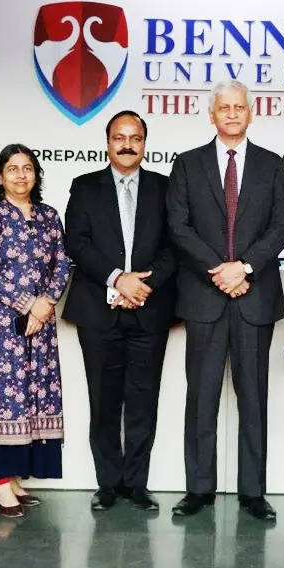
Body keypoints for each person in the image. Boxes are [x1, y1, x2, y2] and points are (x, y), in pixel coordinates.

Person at [167, 80, 284, 521]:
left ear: (250, 113)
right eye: (225, 107)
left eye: (240, 107)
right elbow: (178, 226)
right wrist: (221, 270)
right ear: (212, 115)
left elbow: (281, 226)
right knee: (200, 397)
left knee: (253, 398)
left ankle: (253, 492)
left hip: (254, 297)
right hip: (205, 296)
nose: (233, 113)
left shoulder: (272, 165)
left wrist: (245, 268)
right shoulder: (188, 164)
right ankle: (199, 489)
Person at [63, 111, 176, 512]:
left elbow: (176, 244)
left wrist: (143, 285)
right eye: (119, 137)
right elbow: (77, 242)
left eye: (135, 138)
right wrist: (117, 279)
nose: (127, 145)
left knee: (144, 401)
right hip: (99, 310)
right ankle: (108, 484)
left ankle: (137, 484)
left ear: (145, 143)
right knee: (104, 400)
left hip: (150, 308)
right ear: (107, 141)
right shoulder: (85, 186)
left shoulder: (165, 187)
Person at [0, 144, 71, 518]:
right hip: (0, 324)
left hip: (40, 324)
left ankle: (15, 478)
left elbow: (62, 263)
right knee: (0, 399)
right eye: (13, 168)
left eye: (27, 168)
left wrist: (47, 302)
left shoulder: (48, 216)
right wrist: (29, 304)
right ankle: (0, 481)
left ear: (36, 175)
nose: (21, 175)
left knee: (30, 396)